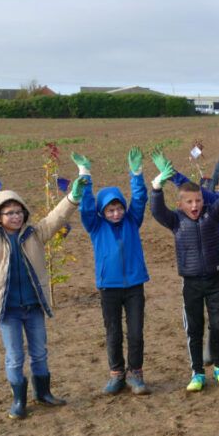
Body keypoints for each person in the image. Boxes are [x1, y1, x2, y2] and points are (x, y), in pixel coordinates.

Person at [0, 160, 84, 419]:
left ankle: (43, 394)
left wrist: (73, 197)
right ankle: (19, 401)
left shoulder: (35, 234)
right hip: (8, 311)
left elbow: (57, 217)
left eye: (19, 211)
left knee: (40, 352)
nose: (15, 216)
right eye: (9, 213)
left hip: (33, 307)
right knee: (16, 356)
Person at [150, 146, 219, 392]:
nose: (195, 205)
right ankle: (197, 372)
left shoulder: (212, 215)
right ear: (180, 204)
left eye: (198, 200)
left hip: (214, 280)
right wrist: (157, 185)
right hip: (191, 282)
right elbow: (156, 210)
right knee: (194, 328)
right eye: (189, 202)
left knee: (218, 325)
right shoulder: (175, 220)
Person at [79, 148, 152, 396]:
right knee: (113, 333)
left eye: (118, 208)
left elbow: (140, 198)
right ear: (102, 212)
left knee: (135, 332)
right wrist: (85, 175)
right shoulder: (95, 225)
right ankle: (116, 373)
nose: (116, 213)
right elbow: (86, 206)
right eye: (110, 210)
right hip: (108, 287)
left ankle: (136, 373)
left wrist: (136, 173)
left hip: (134, 286)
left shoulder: (133, 220)